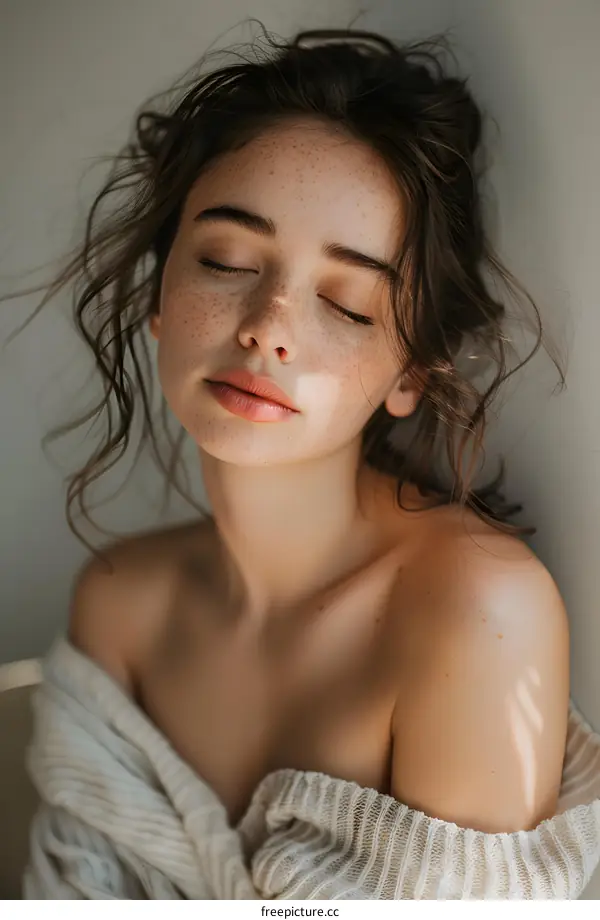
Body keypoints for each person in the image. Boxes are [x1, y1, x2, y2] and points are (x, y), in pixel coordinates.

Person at [9, 26, 600, 900]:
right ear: (160, 293)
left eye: (347, 304)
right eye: (226, 260)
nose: (269, 325)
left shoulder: (478, 618)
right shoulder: (121, 610)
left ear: (410, 373)